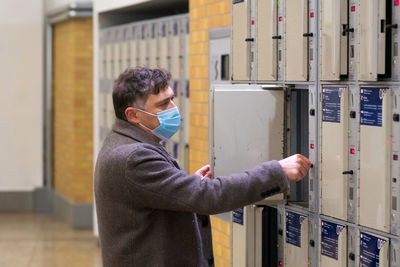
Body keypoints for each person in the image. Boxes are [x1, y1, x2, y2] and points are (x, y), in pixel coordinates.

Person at [94, 67, 311, 267]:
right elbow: (208, 197)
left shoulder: (122, 141)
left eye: (172, 100)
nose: (173, 109)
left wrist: (187, 185)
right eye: (162, 104)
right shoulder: (133, 157)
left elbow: (157, 195)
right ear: (133, 115)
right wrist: (277, 172)